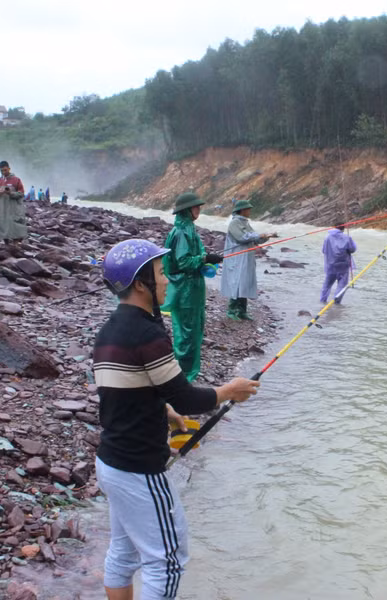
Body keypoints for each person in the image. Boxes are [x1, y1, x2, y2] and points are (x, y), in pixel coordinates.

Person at [94, 239, 260, 600]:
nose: (168, 280)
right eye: (160, 273)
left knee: (122, 554)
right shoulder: (148, 334)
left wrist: (162, 410)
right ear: (141, 284)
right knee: (167, 559)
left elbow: (121, 390)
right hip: (139, 470)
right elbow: (185, 397)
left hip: (110, 463)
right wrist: (228, 391)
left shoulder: (109, 330)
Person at [162, 192, 224, 382]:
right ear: (186, 210)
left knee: (192, 329)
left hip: (191, 288)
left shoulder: (188, 229)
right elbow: (183, 262)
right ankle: (183, 377)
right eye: (195, 207)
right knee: (187, 332)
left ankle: (187, 373)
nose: (199, 209)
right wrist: (204, 258)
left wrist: (207, 259)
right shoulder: (181, 232)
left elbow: (192, 257)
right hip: (185, 289)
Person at [220, 199, 276, 320]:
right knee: (237, 283)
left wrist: (267, 236)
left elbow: (255, 239)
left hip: (246, 259)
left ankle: (242, 311)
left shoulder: (245, 223)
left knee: (244, 283)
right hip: (236, 258)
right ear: (242, 210)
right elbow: (242, 237)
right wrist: (258, 235)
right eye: (248, 209)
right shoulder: (234, 223)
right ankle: (231, 311)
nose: (250, 211)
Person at [321, 217, 357, 304]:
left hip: (330, 265)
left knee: (327, 284)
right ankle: (336, 303)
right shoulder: (347, 238)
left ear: (334, 227)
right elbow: (353, 249)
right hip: (343, 266)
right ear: (343, 228)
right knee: (342, 285)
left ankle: (322, 301)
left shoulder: (327, 238)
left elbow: (323, 250)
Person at [0, 161, 28, 242]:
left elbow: (21, 193)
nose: (4, 172)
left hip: (12, 206)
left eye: (5, 170)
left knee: (13, 222)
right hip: (0, 207)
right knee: (0, 221)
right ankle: (0, 238)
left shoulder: (16, 180)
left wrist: (10, 193)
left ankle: (15, 239)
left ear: (9, 169)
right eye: (1, 171)